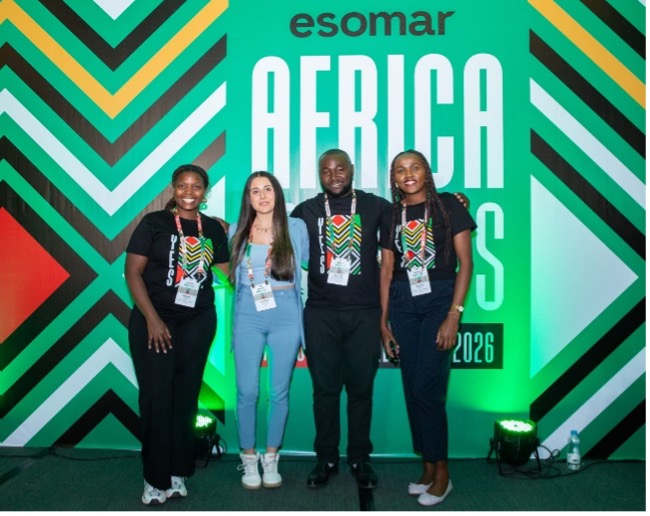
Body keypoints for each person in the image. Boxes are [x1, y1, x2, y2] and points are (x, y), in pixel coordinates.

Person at [125, 164, 229, 505]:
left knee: (185, 397)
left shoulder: (212, 228)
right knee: (156, 397)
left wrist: (242, 236)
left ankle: (177, 471)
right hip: (154, 320)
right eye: (182, 185)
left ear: (205, 191)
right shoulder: (153, 223)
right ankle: (154, 478)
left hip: (198, 321)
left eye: (196, 186)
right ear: (173, 188)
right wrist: (153, 320)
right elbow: (133, 273)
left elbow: (227, 271)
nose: (189, 192)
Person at [290, 149, 393, 490]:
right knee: (325, 392)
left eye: (339, 169)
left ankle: (361, 458)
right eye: (326, 170)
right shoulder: (306, 211)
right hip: (321, 313)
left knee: (361, 391)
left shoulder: (376, 206)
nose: (333, 176)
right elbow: (271, 230)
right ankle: (327, 458)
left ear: (352, 170)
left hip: (365, 313)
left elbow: (416, 215)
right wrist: (226, 226)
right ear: (319, 175)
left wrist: (452, 202)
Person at [379, 150, 476, 507]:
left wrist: (454, 315)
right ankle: (428, 467)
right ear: (393, 178)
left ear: (426, 172)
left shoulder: (449, 205)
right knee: (412, 388)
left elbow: (466, 263)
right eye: (400, 170)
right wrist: (383, 322)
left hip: (439, 300)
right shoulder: (392, 215)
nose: (408, 174)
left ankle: (443, 475)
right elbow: (387, 270)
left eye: (415, 167)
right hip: (403, 301)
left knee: (427, 389)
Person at [228, 171, 309, 490]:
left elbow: (314, 262)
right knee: (247, 391)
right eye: (254, 191)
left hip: (286, 314)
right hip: (248, 313)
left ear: (277, 193)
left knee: (279, 392)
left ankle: (271, 456)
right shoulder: (236, 230)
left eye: (267, 189)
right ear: (248, 198)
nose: (262, 196)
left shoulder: (296, 227)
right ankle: (248, 456)